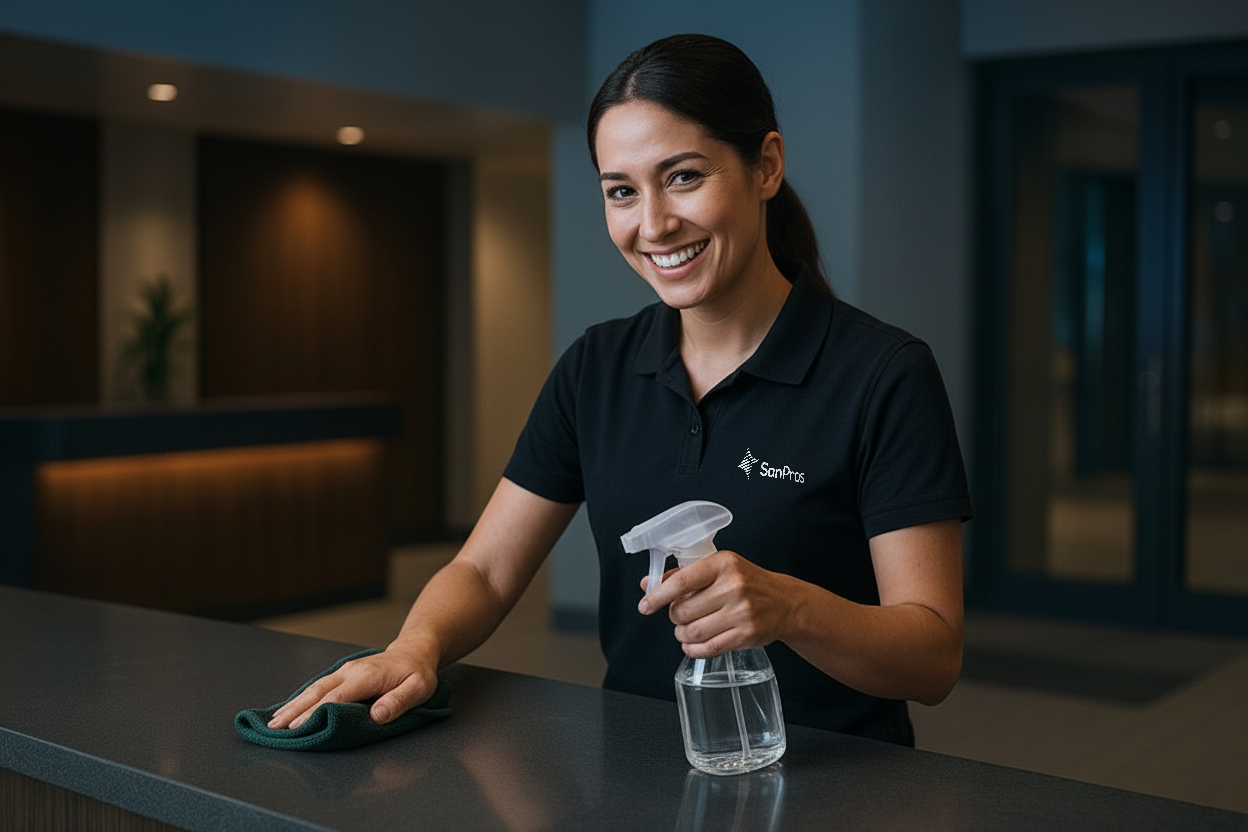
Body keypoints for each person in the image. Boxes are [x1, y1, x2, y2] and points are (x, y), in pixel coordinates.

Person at [268, 33, 971, 746]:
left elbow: (934, 656)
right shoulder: (596, 366)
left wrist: (792, 608)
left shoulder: (882, 373)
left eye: (685, 176)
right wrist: (415, 647)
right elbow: (483, 568)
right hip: (635, 779)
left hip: (843, 786)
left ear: (766, 166)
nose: (654, 224)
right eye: (622, 192)